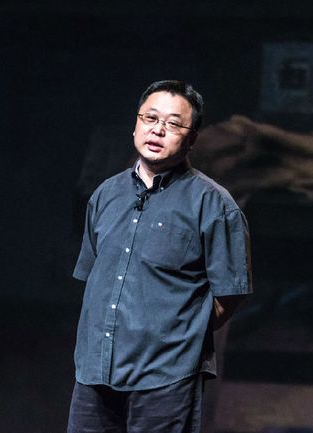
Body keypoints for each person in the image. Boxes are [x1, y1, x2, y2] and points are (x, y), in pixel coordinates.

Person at [68, 80, 253, 433]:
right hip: (95, 371)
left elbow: (230, 294)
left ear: (192, 139)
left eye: (173, 124)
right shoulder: (105, 195)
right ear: (136, 124)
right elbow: (93, 278)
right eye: (150, 118)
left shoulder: (213, 205)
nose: (158, 130)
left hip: (166, 379)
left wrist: (176, 337)